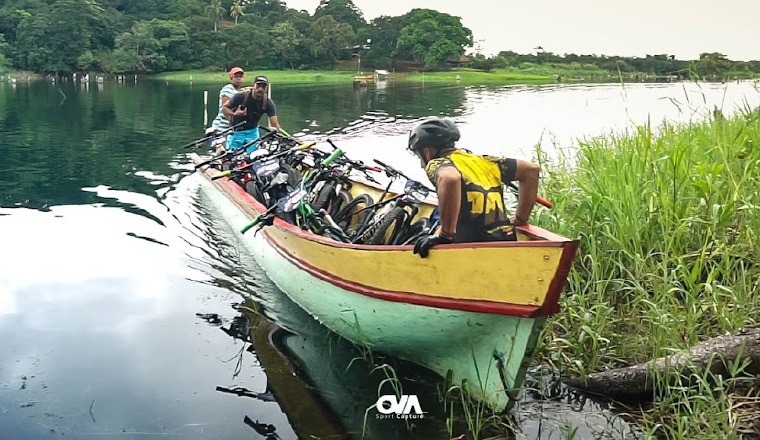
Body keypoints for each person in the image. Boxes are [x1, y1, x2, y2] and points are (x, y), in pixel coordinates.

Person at [407, 117, 541, 258]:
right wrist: (520, 218)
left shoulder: (437, 163)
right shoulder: (483, 161)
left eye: (418, 156)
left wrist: (445, 235)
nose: (422, 164)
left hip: (470, 249)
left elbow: (449, 179)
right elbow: (531, 170)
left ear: (427, 152)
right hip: (504, 242)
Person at [222, 74, 281, 154]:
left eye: (263, 86)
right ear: (254, 85)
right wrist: (235, 114)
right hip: (236, 132)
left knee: (255, 157)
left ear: (266, 88)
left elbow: (275, 124)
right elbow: (224, 108)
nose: (260, 89)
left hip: (252, 133)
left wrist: (278, 137)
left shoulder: (267, 103)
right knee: (232, 157)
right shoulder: (240, 96)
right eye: (258, 85)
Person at [208, 67, 246, 153]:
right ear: (231, 77)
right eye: (236, 76)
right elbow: (225, 108)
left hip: (232, 130)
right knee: (222, 151)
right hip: (221, 128)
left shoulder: (241, 91)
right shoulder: (228, 88)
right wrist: (234, 122)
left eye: (241, 76)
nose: (239, 78)